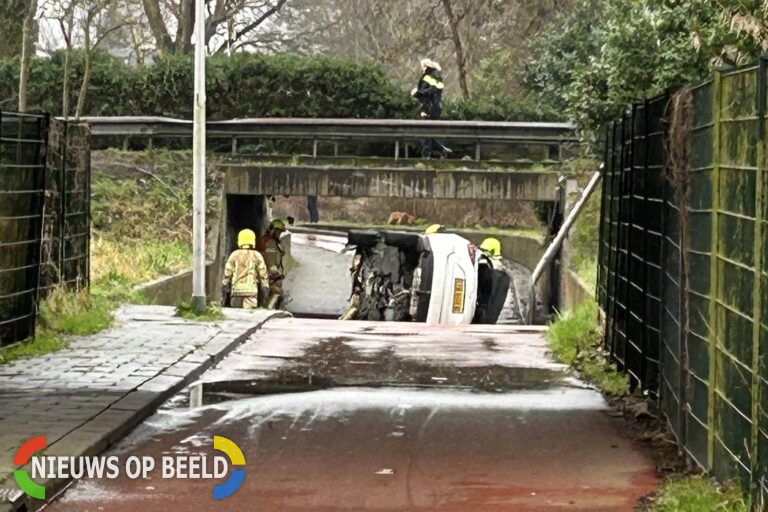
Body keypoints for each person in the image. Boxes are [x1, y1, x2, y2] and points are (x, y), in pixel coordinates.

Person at [222, 229, 270, 309]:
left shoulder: (234, 255)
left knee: (236, 314)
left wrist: (224, 286)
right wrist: (265, 288)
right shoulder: (256, 255)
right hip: (251, 292)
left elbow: (227, 273)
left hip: (236, 291)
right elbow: (263, 274)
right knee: (249, 314)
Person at [411, 58, 446, 158]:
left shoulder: (427, 77)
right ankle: (440, 150)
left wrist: (416, 93)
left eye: (422, 67)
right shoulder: (436, 77)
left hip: (429, 108)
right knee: (429, 132)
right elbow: (434, 91)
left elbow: (427, 94)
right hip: (436, 107)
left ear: (425, 67)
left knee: (426, 131)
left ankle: (427, 155)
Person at [257, 219, 288, 309]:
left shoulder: (268, 241)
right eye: (279, 232)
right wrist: (278, 274)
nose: (279, 235)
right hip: (267, 276)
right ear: (274, 231)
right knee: (277, 292)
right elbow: (272, 263)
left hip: (263, 274)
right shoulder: (270, 243)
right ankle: (269, 309)